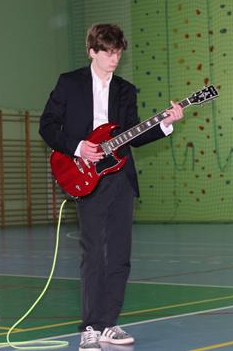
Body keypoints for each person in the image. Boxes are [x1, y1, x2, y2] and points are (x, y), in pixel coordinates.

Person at [39, 23, 184, 350]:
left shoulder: (125, 90)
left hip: (120, 177)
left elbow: (134, 134)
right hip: (85, 173)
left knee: (119, 255)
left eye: (118, 52)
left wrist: (164, 123)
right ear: (92, 51)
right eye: (108, 52)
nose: (114, 58)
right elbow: (47, 125)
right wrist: (78, 147)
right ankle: (90, 327)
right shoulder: (69, 83)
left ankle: (109, 324)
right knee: (94, 254)